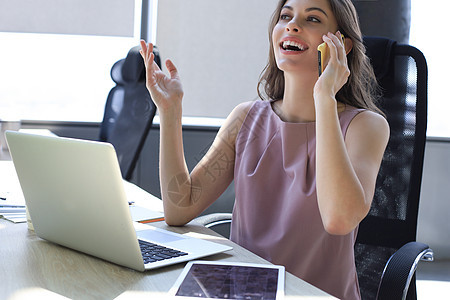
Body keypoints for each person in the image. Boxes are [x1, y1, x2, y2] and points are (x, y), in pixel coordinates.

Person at [140, 0, 389, 298]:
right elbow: (179, 207)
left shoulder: (365, 126)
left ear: (341, 45)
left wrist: (325, 97)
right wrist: (170, 113)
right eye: (286, 16)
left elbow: (339, 220)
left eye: (312, 19)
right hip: (244, 290)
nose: (293, 25)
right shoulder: (246, 118)